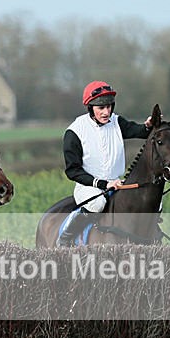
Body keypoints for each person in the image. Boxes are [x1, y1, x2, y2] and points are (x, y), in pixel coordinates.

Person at [56, 80, 154, 246]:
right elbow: (72, 172)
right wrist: (103, 184)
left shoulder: (117, 122)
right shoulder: (74, 132)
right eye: (101, 108)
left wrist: (148, 126)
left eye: (109, 107)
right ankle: (65, 237)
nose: (106, 112)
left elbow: (140, 131)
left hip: (117, 183)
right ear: (90, 108)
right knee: (98, 203)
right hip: (88, 187)